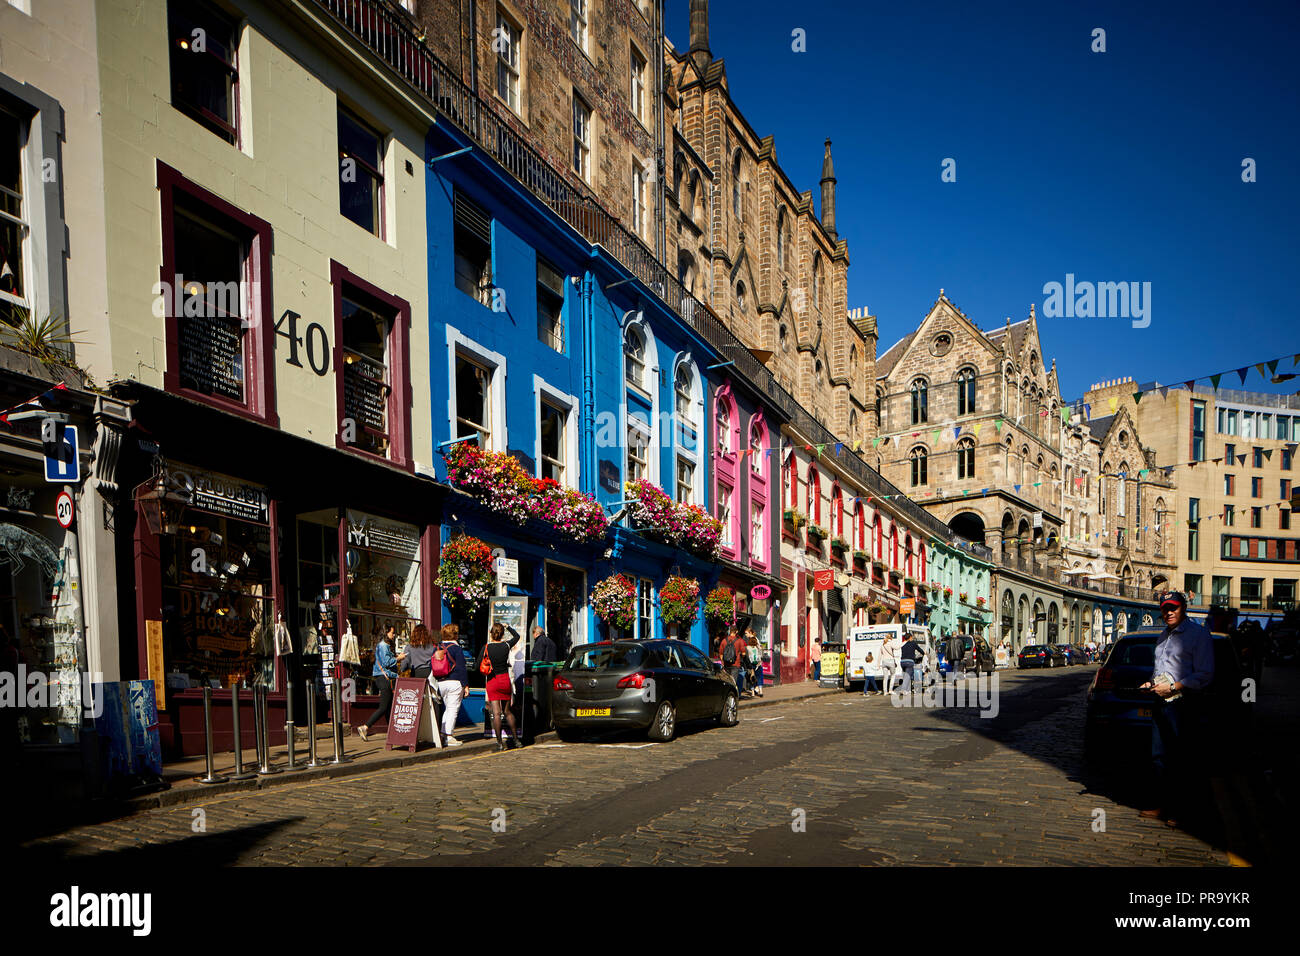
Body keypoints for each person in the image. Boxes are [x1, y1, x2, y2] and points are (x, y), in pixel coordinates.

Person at [1138, 591, 1215, 828]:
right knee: (1158, 756)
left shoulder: (1198, 635)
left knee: (1182, 757)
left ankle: (1181, 810)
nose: (1168, 612)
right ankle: (1161, 804)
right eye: (1164, 608)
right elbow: (1160, 669)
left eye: (1173, 607)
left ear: (1184, 608)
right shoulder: (1163, 636)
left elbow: (1205, 674)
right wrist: (1151, 684)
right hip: (1161, 702)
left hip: (1185, 703)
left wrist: (1174, 687)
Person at [478, 622, 521, 750]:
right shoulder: (506, 645)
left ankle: (500, 744)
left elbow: (477, 665)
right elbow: (517, 636)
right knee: (507, 712)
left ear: (491, 633)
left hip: (492, 681)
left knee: (496, 714)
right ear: (502, 634)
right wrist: (508, 626)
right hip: (504, 680)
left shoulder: (486, 647)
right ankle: (517, 741)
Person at [357, 624, 403, 741]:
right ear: (386, 633)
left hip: (384, 678)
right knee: (383, 707)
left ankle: (392, 733)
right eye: (392, 633)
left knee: (389, 707)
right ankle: (365, 727)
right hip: (383, 679)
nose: (394, 635)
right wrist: (399, 658)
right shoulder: (383, 645)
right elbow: (386, 662)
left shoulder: (385, 646)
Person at [432, 624, 467, 746]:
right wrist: (465, 685)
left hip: (441, 682)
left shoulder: (437, 647)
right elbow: (462, 668)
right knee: (453, 709)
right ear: (455, 635)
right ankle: (449, 736)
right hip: (455, 682)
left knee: (447, 709)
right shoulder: (457, 649)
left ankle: (443, 733)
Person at [527, 625, 560, 736]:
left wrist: (534, 665)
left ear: (536, 633)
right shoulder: (551, 641)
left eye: (533, 635)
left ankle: (540, 723)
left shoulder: (540, 641)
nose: (534, 637)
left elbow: (539, 658)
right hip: (550, 674)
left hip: (541, 675)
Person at [719, 628, 746, 695]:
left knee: (727, 680)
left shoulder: (724, 641)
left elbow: (721, 653)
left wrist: (723, 662)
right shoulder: (740, 641)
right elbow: (744, 653)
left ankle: (726, 695)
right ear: (736, 632)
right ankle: (732, 696)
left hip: (726, 664)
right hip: (735, 664)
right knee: (733, 682)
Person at [744, 627, 765, 698]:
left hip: (752, 662)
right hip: (758, 662)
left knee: (751, 677)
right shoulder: (755, 640)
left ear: (750, 633)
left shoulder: (754, 640)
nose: (746, 635)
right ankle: (759, 690)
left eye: (746, 633)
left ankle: (754, 691)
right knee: (758, 676)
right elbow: (760, 650)